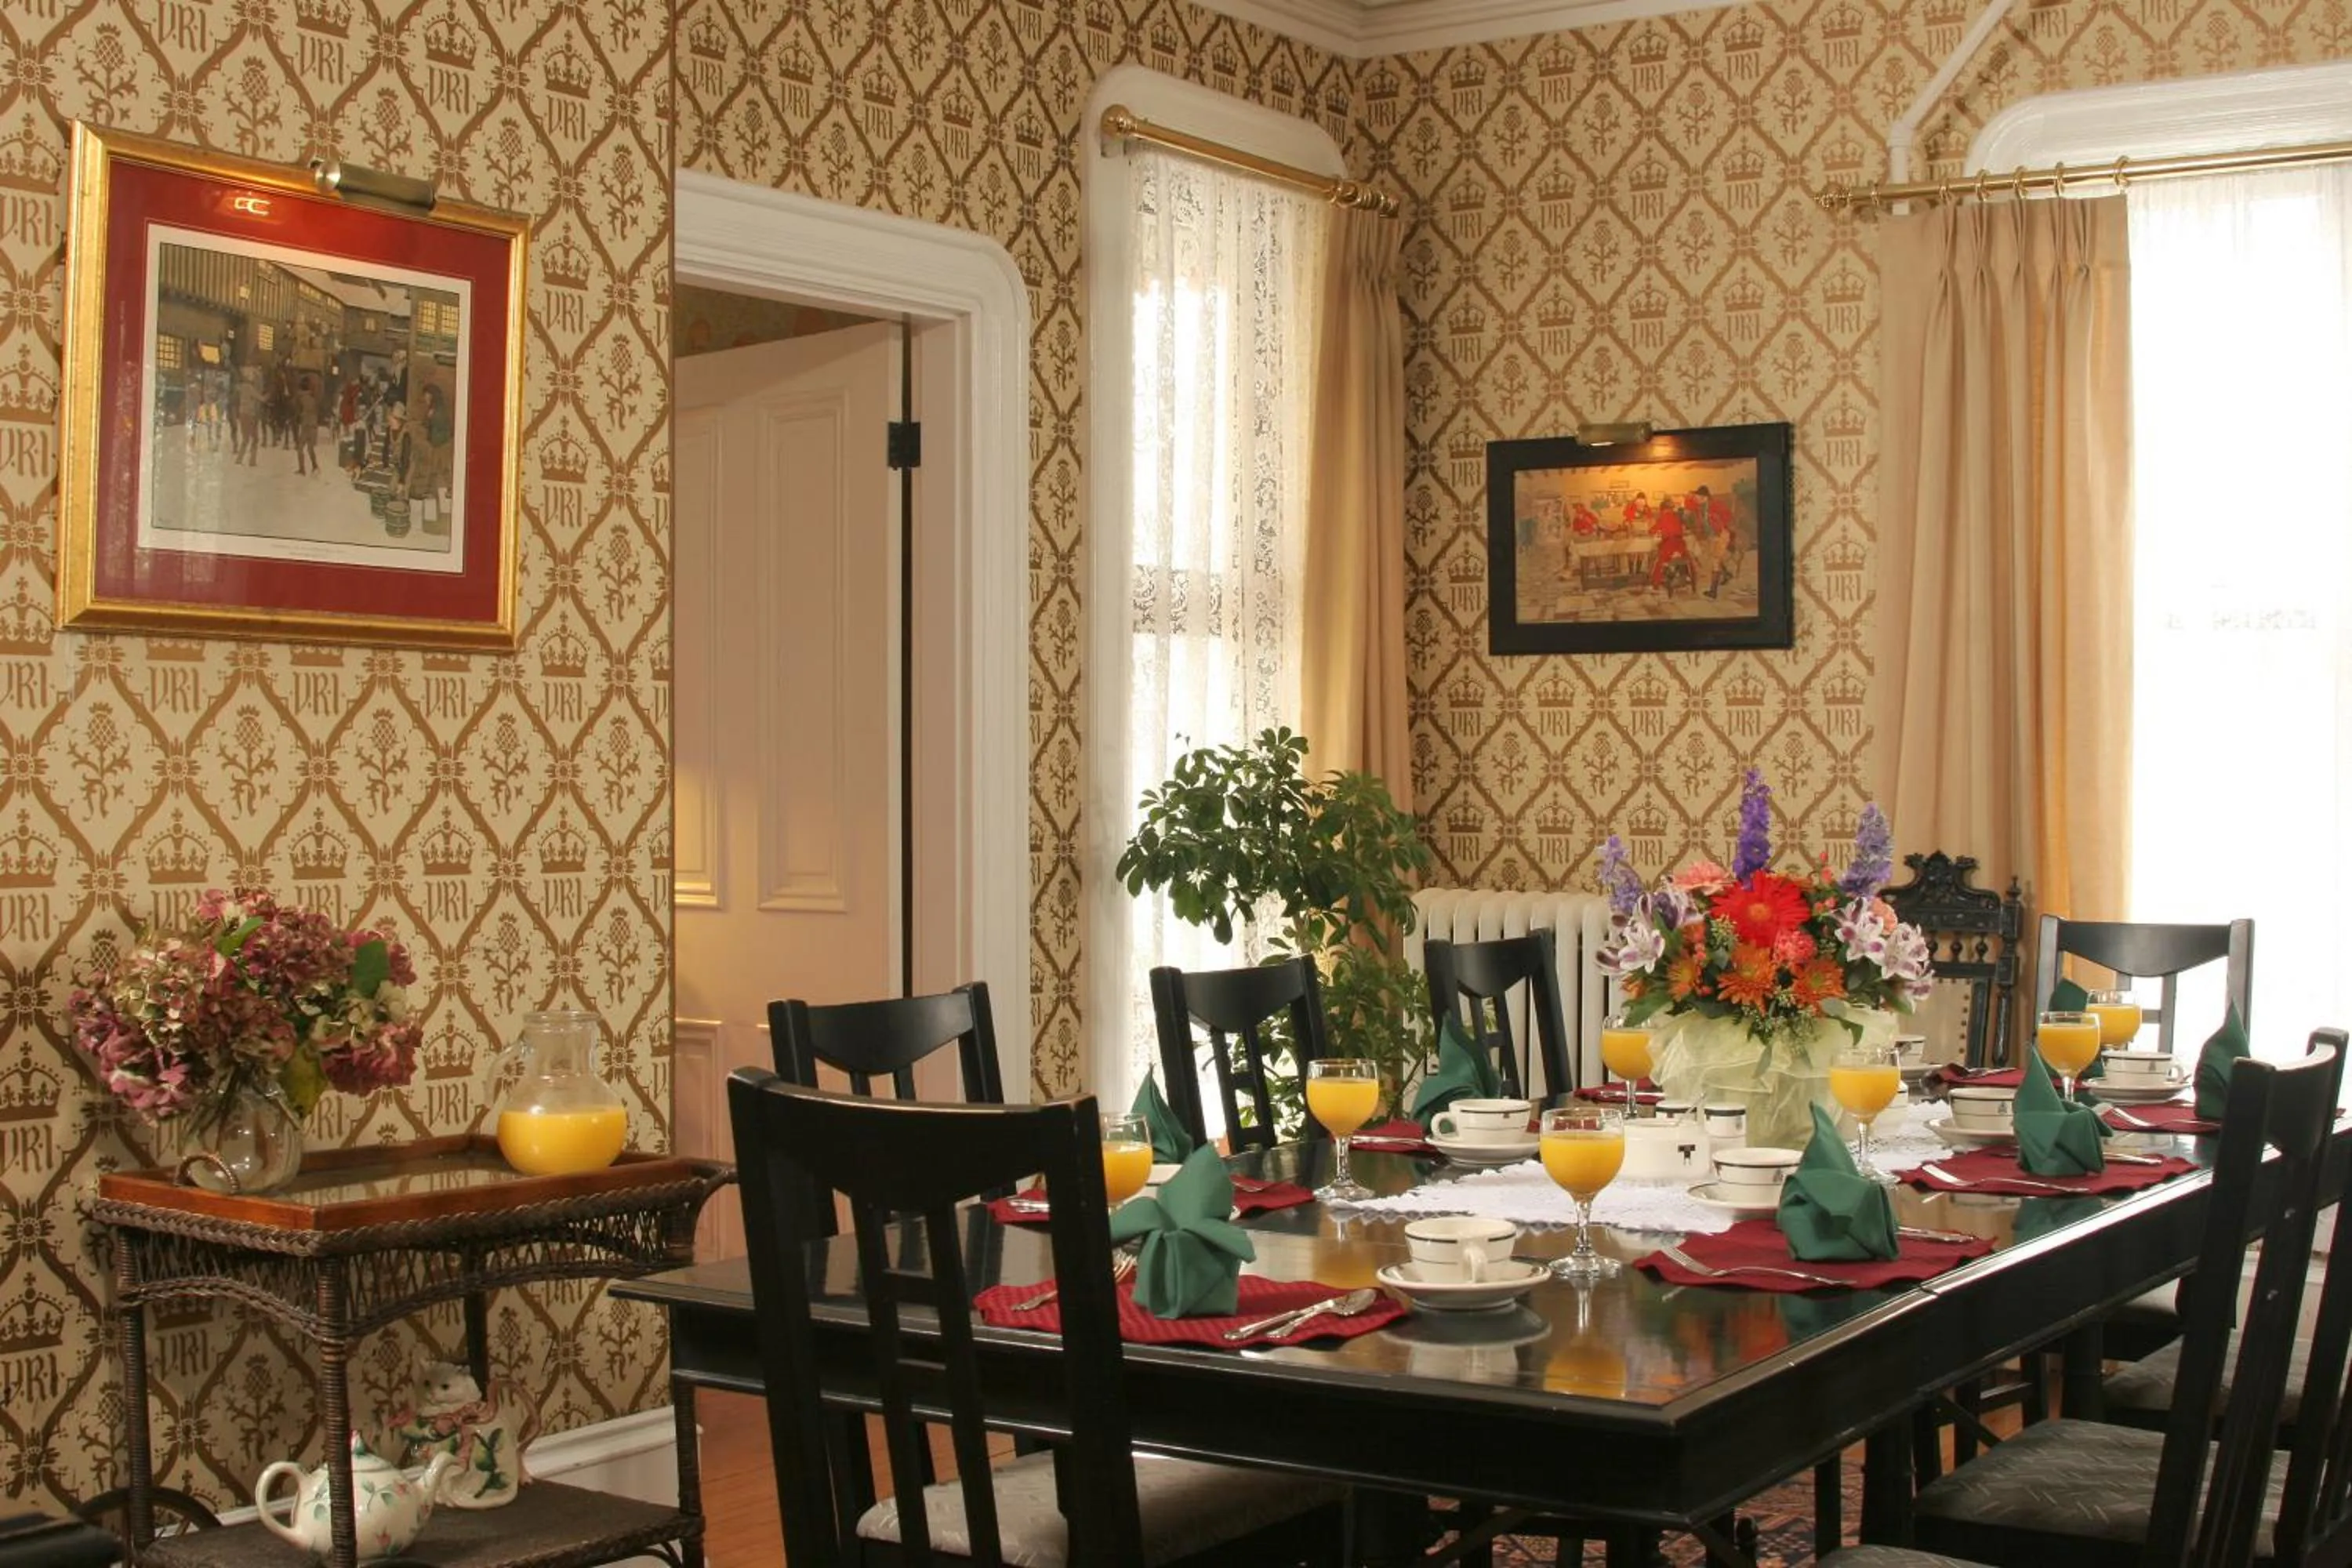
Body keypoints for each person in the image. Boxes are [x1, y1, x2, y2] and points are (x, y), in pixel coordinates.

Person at [292, 373, 321, 475]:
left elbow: (297, 410)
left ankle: (302, 469)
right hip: (313, 424)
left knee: (300, 448)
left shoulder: (300, 397)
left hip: (305, 425)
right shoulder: (314, 397)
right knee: (310, 449)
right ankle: (315, 466)